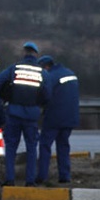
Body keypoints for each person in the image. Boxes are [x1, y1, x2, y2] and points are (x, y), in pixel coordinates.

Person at [0, 41, 50, 186]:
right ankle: (30, 181)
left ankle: (10, 179)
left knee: (10, 147)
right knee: (31, 147)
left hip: (14, 112)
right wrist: (38, 104)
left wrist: (5, 97)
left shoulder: (14, 69)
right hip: (31, 115)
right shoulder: (42, 73)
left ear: (24, 53)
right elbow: (47, 95)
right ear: (35, 54)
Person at [36, 55, 79, 184]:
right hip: (71, 117)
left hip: (54, 117)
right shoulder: (70, 73)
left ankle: (42, 176)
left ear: (46, 67)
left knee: (45, 146)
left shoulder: (49, 76)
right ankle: (65, 176)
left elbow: (44, 95)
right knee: (63, 146)